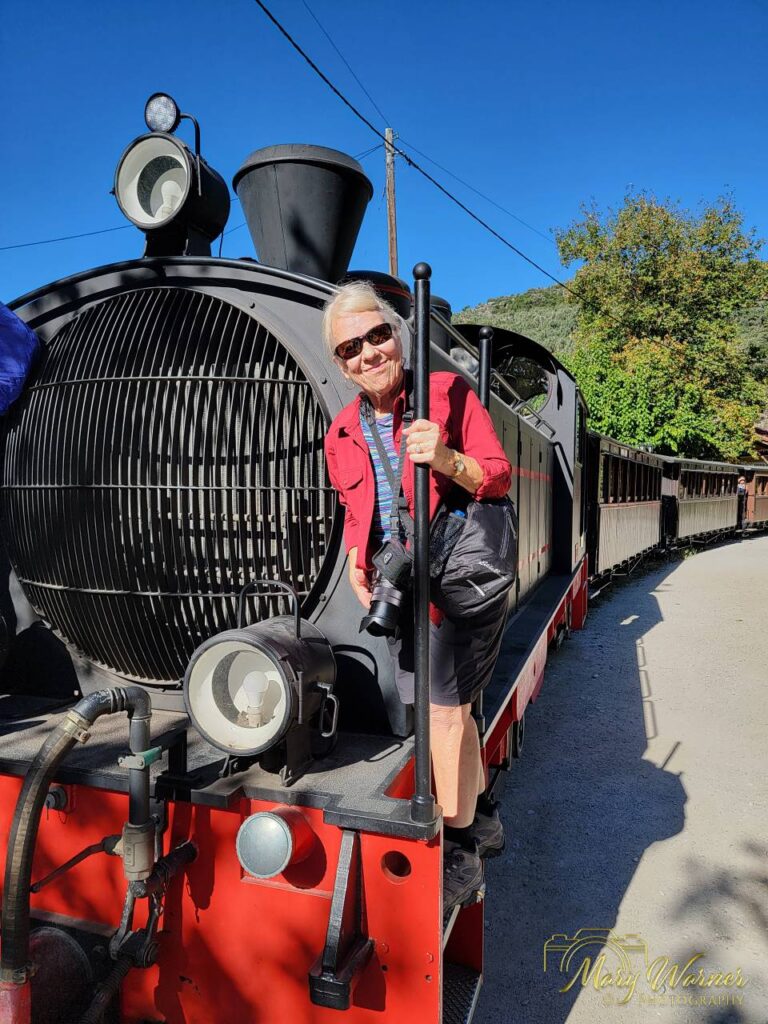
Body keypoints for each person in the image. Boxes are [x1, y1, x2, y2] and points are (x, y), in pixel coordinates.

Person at [323, 281, 513, 909]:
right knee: (435, 709)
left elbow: (497, 474)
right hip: (400, 582)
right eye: (350, 348)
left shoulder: (445, 391)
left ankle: (460, 852)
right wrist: (358, 556)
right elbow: (359, 509)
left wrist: (448, 457)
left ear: (395, 334)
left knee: (442, 713)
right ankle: (481, 815)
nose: (367, 354)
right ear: (339, 362)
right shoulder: (341, 433)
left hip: (456, 578)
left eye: (376, 335)